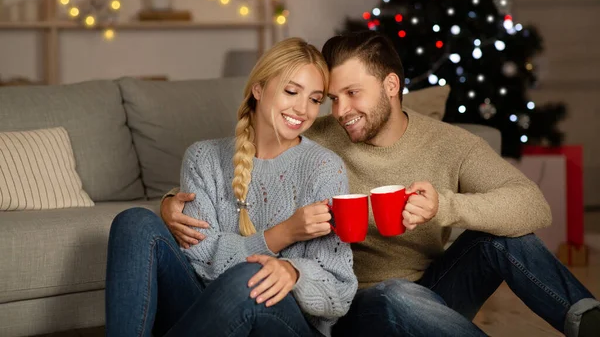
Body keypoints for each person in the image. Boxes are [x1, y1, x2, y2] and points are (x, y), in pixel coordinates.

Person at [162, 31, 600, 337]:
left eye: (353, 93)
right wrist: (170, 203)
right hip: (353, 305)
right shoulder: (315, 132)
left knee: (499, 240)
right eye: (332, 98)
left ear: (391, 85)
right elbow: (247, 152)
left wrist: (447, 207)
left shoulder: (451, 144)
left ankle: (587, 320)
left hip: (434, 290)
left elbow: (533, 206)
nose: (339, 109)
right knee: (396, 296)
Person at [105, 37, 357, 337]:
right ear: (258, 88)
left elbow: (340, 290)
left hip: (285, 323)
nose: (303, 109)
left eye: (315, 100)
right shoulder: (203, 158)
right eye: (292, 91)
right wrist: (282, 234)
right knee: (133, 222)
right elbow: (201, 261)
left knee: (252, 277)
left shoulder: (325, 168)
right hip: (207, 313)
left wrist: (294, 272)